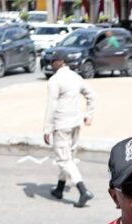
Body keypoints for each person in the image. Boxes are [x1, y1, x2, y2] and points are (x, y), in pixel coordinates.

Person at [43, 55, 96, 208]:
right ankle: (59, 188)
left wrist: (47, 128)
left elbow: (51, 104)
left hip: (61, 124)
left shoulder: (55, 80)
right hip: (75, 123)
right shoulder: (76, 77)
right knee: (69, 157)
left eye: (51, 63)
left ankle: (83, 190)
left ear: (55, 63)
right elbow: (91, 95)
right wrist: (88, 115)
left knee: (63, 159)